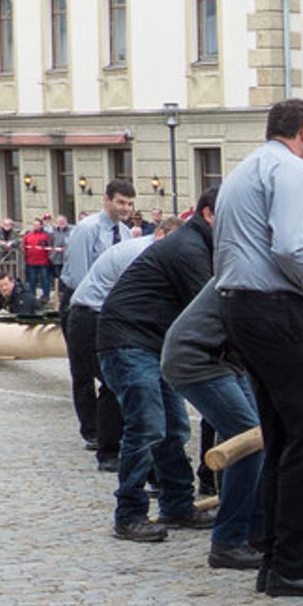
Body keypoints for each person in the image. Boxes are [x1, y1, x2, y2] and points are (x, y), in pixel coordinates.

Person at [213, 99, 303, 597]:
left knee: (282, 434)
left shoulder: (247, 168)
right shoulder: (291, 170)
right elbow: (292, 247)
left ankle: (275, 558)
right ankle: (295, 565)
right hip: (269, 307)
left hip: (244, 307)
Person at [98, 198, 216, 545]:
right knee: (147, 425)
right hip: (127, 342)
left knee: (174, 427)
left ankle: (177, 504)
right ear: (209, 214)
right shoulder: (190, 249)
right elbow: (210, 309)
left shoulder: (197, 245)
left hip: (151, 343)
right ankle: (129, 514)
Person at [164, 282, 271, 569]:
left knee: (261, 438)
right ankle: (229, 541)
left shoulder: (259, 265)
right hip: (198, 361)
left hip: (224, 361)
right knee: (248, 442)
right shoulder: (253, 270)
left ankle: (256, 533)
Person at [69, 226, 161, 472]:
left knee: (114, 383)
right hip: (91, 314)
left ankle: (108, 443)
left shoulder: (141, 246)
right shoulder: (143, 253)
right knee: (111, 382)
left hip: (99, 313)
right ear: (162, 235)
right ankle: (105, 448)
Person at [58, 179, 137, 451]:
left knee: (107, 370)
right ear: (107, 200)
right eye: (120, 202)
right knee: (83, 371)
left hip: (109, 307)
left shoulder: (125, 233)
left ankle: (108, 428)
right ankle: (91, 429)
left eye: (129, 203)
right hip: (80, 304)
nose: (125, 208)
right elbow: (80, 275)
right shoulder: (88, 229)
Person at [21, 218, 54, 302]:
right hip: (31, 262)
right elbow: (24, 247)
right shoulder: (28, 236)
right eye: (34, 225)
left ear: (41, 225)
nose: (36, 227)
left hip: (44, 262)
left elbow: (51, 247)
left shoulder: (47, 235)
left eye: (37, 225)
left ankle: (46, 296)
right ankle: (32, 297)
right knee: (32, 280)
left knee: (45, 280)